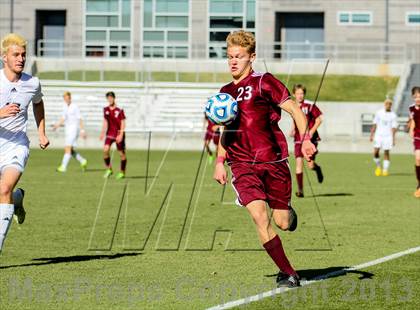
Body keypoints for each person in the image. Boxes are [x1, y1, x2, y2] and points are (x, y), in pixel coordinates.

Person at [213, 30, 316, 287]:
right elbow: (226, 130)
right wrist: (219, 161)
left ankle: (288, 212)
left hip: (274, 162)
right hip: (242, 164)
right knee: (260, 217)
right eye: (229, 57)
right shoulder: (225, 92)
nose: (233, 62)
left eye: (239, 56)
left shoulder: (264, 82)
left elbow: (294, 110)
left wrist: (305, 140)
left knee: (282, 222)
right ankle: (288, 272)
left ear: (252, 57)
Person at [0, 33, 49, 252]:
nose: (21, 59)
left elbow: (38, 104)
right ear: (4, 57)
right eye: (16, 54)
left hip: (16, 145)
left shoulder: (33, 83)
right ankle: (17, 199)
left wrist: (42, 133)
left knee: (4, 188)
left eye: (23, 55)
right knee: (7, 194)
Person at [289, 84, 323, 197]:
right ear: (294, 94)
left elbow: (319, 119)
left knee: (310, 165)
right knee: (298, 163)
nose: (300, 96)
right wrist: (293, 129)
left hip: (310, 139)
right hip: (298, 138)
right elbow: (295, 120)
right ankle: (300, 190)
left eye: (302, 93)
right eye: (298, 93)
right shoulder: (292, 106)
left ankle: (317, 169)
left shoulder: (310, 105)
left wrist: (311, 132)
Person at [52, 91, 88, 172]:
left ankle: (63, 167)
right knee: (70, 150)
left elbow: (80, 118)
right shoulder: (65, 107)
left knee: (67, 148)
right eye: (65, 98)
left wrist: (82, 130)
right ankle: (83, 161)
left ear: (70, 98)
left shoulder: (74, 106)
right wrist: (57, 125)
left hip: (74, 130)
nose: (66, 100)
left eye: (67, 98)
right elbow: (63, 118)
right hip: (68, 130)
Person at [99, 91, 127, 179]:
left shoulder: (119, 109)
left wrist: (121, 134)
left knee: (121, 154)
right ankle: (109, 169)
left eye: (111, 97)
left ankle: (122, 172)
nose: (110, 99)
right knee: (105, 150)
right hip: (110, 133)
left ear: (114, 98)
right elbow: (105, 121)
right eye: (108, 98)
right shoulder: (105, 109)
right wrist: (102, 132)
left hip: (118, 133)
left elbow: (123, 122)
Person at [369, 99, 398, 176]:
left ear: (391, 105)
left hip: (388, 136)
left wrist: (393, 139)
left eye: (389, 104)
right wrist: (371, 135)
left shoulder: (393, 115)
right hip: (378, 135)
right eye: (387, 104)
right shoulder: (379, 113)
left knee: (386, 152)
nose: (388, 105)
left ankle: (385, 170)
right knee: (375, 152)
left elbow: (394, 128)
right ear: (384, 104)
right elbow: (374, 124)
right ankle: (378, 167)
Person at [409, 86, 420, 198]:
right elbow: (413, 120)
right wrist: (411, 129)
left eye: (419, 96)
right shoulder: (411, 108)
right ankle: (419, 183)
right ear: (412, 97)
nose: (418, 98)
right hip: (418, 136)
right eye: (415, 97)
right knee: (418, 158)